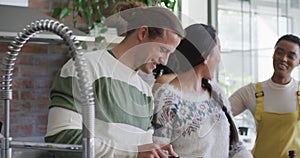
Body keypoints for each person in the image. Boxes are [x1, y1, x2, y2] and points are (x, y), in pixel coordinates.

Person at [44, 3, 185, 158]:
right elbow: (62, 140)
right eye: (162, 49)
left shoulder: (144, 91)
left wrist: (155, 153)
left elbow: (139, 150)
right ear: (143, 33)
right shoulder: (85, 68)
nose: (165, 61)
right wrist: (131, 153)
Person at [152, 23, 253, 157]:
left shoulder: (216, 92)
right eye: (219, 50)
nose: (219, 58)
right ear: (205, 56)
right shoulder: (166, 98)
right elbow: (160, 152)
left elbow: (235, 147)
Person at [229, 34, 300, 157]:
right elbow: (219, 115)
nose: (283, 58)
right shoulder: (251, 92)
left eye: (291, 56)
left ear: (298, 62)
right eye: (279, 52)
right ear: (273, 54)